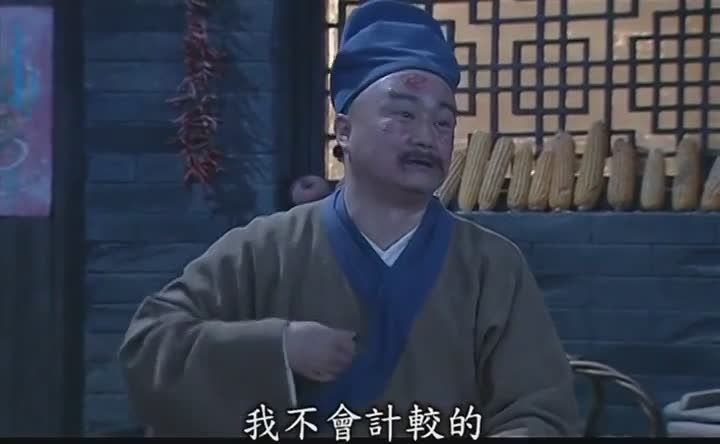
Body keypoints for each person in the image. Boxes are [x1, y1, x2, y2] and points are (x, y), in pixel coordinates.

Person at [118, 0, 580, 438]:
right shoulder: (265, 249)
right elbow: (149, 344)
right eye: (403, 114)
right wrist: (279, 347)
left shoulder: (493, 266)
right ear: (344, 131)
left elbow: (541, 409)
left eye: (443, 122)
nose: (427, 136)